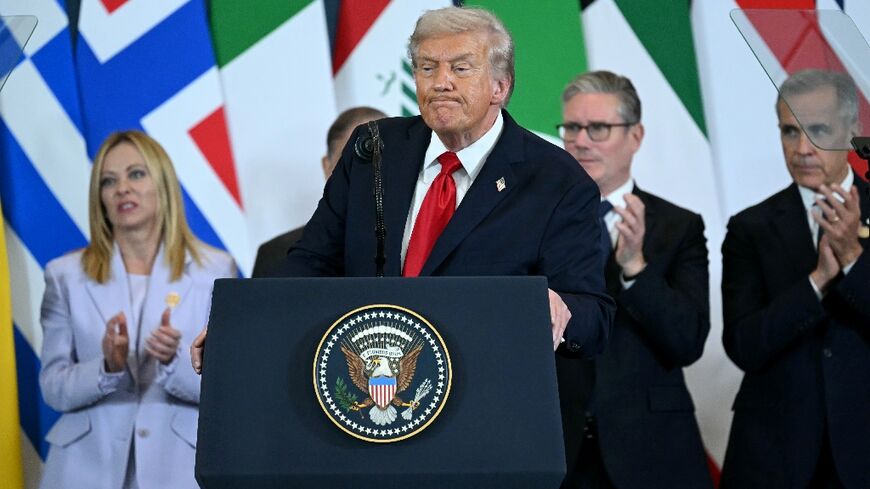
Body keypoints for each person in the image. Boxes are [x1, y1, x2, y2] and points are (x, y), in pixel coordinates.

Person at [193, 6, 613, 371]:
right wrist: (239, 325)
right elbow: (311, 263)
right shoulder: (371, 151)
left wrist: (561, 310)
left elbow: (593, 317)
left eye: (460, 68)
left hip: (488, 403)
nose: (440, 82)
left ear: (500, 87)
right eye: (427, 67)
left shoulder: (556, 179)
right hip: (369, 391)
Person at [38, 130, 236, 489]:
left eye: (136, 174)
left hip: (179, 468)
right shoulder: (64, 275)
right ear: (99, 197)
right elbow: (52, 387)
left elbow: (228, 387)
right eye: (108, 181)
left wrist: (174, 360)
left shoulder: (216, 271)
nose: (122, 189)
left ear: (162, 183)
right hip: (85, 470)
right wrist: (107, 368)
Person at [555, 71, 712, 489]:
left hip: (651, 453)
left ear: (636, 136)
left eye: (599, 128)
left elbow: (687, 341)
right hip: (557, 451)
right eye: (572, 127)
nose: (581, 141)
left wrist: (635, 269)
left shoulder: (679, 227)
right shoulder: (535, 222)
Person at [720, 69, 869, 489]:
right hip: (774, 455)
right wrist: (818, 280)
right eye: (789, 131)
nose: (802, 149)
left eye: (818, 130)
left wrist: (854, 259)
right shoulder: (750, 227)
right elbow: (744, 345)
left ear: (853, 130)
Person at [251, 106, 386, 278]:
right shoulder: (276, 255)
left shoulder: (421, 249)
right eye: (350, 163)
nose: (368, 175)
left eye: (381, 159)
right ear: (326, 166)